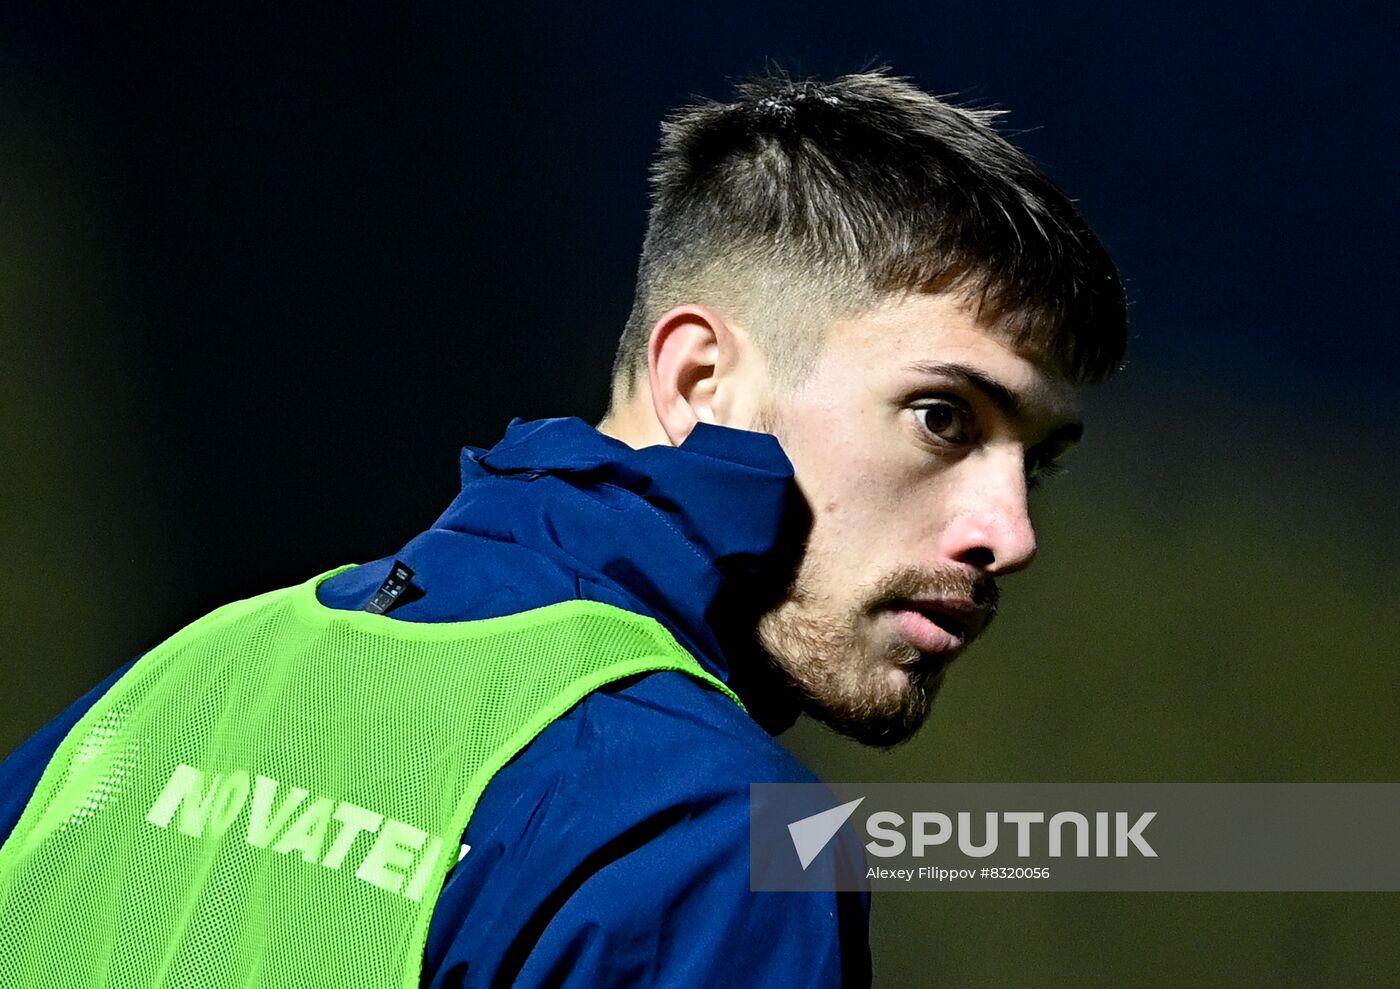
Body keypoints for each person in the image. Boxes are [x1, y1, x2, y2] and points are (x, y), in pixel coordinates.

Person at [0, 69, 1126, 987]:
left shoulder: (169, 685)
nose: (1008, 531)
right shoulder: (714, 835)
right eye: (942, 416)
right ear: (698, 376)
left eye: (1037, 459)